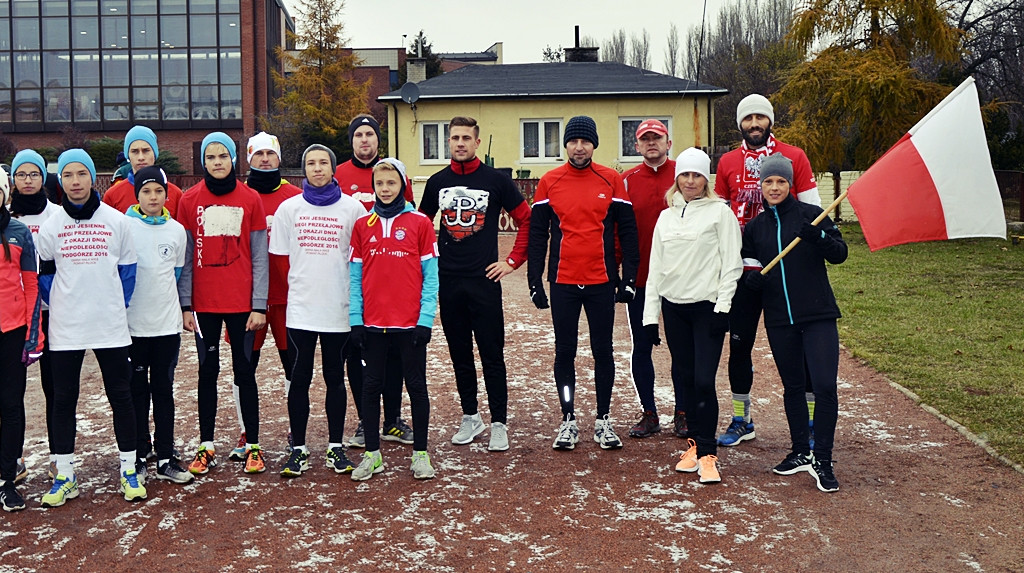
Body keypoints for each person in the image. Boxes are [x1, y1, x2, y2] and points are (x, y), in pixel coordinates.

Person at [35, 149, 145, 506]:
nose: (76, 182)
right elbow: (46, 277)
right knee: (63, 399)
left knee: (121, 396)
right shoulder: (51, 227)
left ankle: (129, 468)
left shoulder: (117, 222)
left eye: (82, 174)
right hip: (66, 328)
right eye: (68, 176)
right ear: (61, 181)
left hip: (110, 324)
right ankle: (65, 474)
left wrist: (110, 303)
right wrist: (71, 302)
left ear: (93, 177)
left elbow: (128, 274)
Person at [713, 94, 821, 448]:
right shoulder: (728, 162)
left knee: (797, 347)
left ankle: (808, 421)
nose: (755, 124)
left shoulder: (795, 156)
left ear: (770, 120)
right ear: (740, 123)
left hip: (785, 269)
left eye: (761, 117)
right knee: (739, 345)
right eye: (749, 118)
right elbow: (719, 214)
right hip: (743, 268)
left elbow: (813, 212)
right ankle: (742, 418)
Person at [527, 115, 640, 451]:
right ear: (565, 145)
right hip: (563, 281)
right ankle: (568, 419)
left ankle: (603, 419)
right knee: (565, 352)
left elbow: (628, 233)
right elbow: (537, 235)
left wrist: (629, 277)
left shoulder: (611, 180)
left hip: (601, 281)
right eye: (573, 141)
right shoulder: (549, 181)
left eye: (585, 141)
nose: (579, 147)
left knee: (603, 351)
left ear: (594, 144)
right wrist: (535, 281)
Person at [419, 116, 531, 451]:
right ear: (448, 143)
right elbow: (420, 226)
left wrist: (512, 261)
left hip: (484, 282)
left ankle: (499, 422)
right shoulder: (437, 182)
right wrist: (429, 263)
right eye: (454, 138)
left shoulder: (495, 180)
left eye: (466, 137)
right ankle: (471, 416)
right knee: (459, 354)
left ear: (477, 142)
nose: (460, 143)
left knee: (492, 354)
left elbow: (527, 219)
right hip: (449, 282)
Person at [741, 154, 846, 492]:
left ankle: (823, 459)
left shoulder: (812, 216)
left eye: (781, 182)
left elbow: (840, 253)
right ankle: (801, 451)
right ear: (761, 186)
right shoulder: (755, 228)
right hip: (780, 319)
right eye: (769, 182)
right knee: (794, 388)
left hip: (817, 316)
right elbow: (749, 268)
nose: (774, 187)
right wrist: (751, 281)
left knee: (825, 387)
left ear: (790, 185)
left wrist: (819, 238)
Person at [643, 148, 741, 484]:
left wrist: (722, 308)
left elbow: (732, 265)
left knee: (703, 381)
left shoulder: (719, 214)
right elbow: (655, 269)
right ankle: (695, 446)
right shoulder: (666, 217)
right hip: (674, 309)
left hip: (707, 310)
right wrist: (649, 317)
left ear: (706, 179)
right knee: (684, 379)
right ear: (677, 178)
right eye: (685, 175)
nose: (690, 181)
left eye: (697, 175)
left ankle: (709, 453)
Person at [271, 144, 366, 477]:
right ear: (303, 169)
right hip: (301, 310)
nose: (317, 168)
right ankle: (298, 450)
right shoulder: (289, 209)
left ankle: (335, 448)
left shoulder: (353, 209)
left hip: (338, 309)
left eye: (323, 162)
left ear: (333, 168)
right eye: (310, 163)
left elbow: (360, 260)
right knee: (299, 378)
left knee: (334, 379)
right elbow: (281, 260)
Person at [177, 132, 269, 476]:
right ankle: (206, 445)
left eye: (223, 156)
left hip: (242, 305)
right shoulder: (189, 200)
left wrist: (259, 304)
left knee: (245, 372)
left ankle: (254, 445)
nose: (217, 162)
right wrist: (186, 305)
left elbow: (259, 256)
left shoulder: (250, 199)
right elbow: (186, 258)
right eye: (211, 157)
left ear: (234, 160)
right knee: (207, 373)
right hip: (204, 306)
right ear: (204, 161)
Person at [348, 158, 438, 481]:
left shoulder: (420, 223)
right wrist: (356, 320)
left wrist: (425, 319)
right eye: (380, 184)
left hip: (410, 324)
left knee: (415, 385)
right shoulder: (363, 226)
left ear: (402, 185)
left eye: (392, 183)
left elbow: (431, 276)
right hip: (373, 324)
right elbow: (355, 276)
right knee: (371, 387)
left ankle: (421, 454)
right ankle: (373, 454)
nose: (385, 190)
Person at [334, 114, 416, 449]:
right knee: (358, 351)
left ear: (378, 140)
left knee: (394, 351)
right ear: (351, 140)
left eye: (370, 134)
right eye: (358, 135)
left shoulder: (392, 171)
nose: (364, 140)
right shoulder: (338, 174)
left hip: (390, 279)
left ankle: (393, 420)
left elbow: (409, 219)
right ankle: (364, 419)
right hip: (351, 275)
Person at [224, 131, 301, 461]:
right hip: (245, 299)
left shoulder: (297, 196)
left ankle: (295, 430)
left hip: (287, 296)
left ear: (280, 159)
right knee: (244, 367)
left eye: (271, 154)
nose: (265, 160)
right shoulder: (236, 195)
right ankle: (245, 432)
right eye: (259, 155)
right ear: (249, 160)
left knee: (292, 367)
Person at [124, 166, 193, 485]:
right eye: (146, 191)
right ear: (137, 194)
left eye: (158, 191)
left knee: (163, 390)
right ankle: (139, 454)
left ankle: (165, 456)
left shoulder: (177, 231)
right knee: (137, 391)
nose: (153, 197)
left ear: (167, 194)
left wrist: (183, 310)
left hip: (166, 325)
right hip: (132, 326)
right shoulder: (124, 228)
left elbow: (178, 275)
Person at [619, 119, 684, 440]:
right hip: (642, 279)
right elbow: (617, 231)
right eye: (645, 139)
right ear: (637, 146)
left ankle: (683, 412)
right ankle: (649, 412)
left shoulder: (684, 176)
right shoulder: (626, 181)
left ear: (668, 142)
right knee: (642, 346)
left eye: (657, 138)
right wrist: (620, 272)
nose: (651, 143)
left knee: (682, 347)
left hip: (682, 279)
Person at [8, 149, 61, 481]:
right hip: (17, 316)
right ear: (12, 180)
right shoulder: (7, 216)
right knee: (12, 391)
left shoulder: (57, 214)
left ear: (44, 177)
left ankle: (59, 455)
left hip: (54, 312)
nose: (28, 181)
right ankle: (12, 458)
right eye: (21, 175)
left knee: (54, 387)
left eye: (34, 174)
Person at [0, 167, 44, 512]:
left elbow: (31, 284)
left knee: (11, 405)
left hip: (12, 332)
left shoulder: (19, 232)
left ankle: (7, 477)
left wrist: (34, 332)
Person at [101, 126, 184, 218]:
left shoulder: (176, 194)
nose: (141, 157)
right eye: (135, 151)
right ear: (128, 155)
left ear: (155, 153)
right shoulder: (112, 195)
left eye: (146, 150)